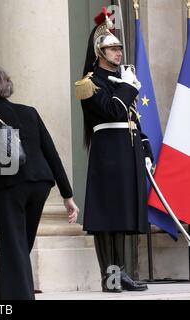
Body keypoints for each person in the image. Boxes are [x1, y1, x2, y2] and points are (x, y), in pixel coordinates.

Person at [0, 65, 79, 300]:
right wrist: (68, 196)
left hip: (12, 185)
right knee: (19, 246)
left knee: (14, 246)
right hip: (41, 184)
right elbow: (51, 151)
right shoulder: (29, 111)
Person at [75, 9, 152, 292]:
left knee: (120, 216)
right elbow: (113, 110)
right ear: (99, 51)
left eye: (119, 48)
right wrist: (129, 87)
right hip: (107, 154)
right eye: (112, 48)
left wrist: (145, 150)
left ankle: (121, 273)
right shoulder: (88, 84)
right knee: (107, 218)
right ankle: (110, 278)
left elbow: (134, 120)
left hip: (127, 152)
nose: (119, 52)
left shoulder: (122, 81)